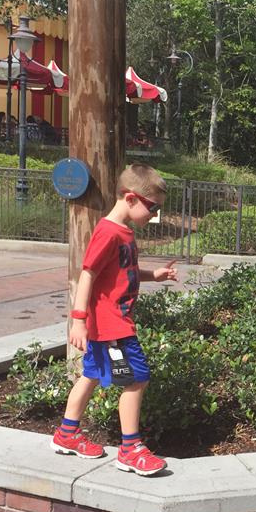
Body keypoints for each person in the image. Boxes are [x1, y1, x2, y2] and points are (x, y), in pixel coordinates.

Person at [51, 163, 177, 476]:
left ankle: (67, 433)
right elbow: (88, 274)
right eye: (153, 208)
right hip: (113, 328)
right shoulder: (108, 232)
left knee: (91, 373)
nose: (155, 215)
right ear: (131, 198)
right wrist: (78, 320)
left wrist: (154, 275)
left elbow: (122, 273)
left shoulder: (123, 233)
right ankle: (130, 449)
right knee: (136, 379)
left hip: (108, 326)